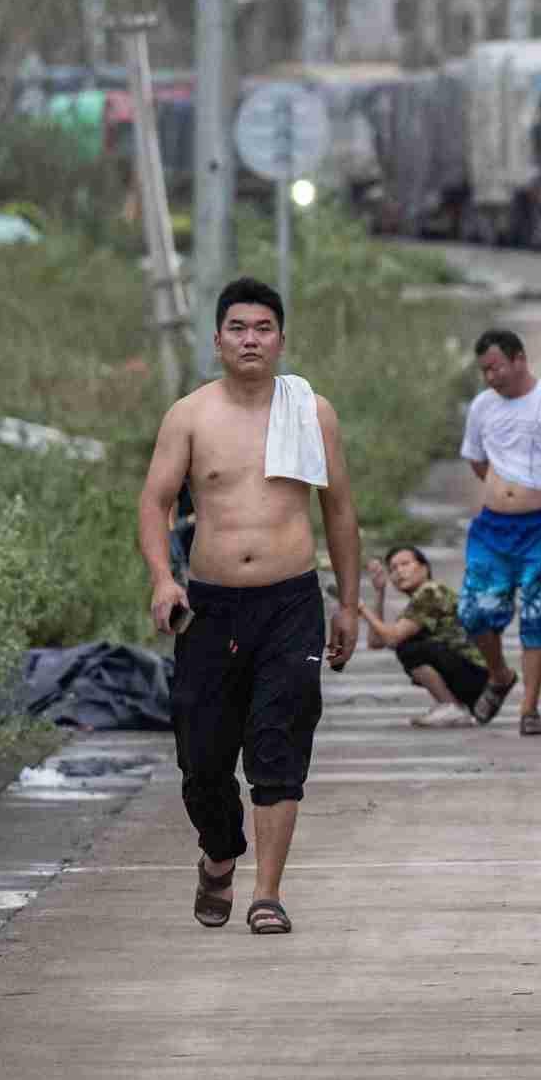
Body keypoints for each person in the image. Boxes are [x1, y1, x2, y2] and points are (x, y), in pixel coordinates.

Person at [136, 277, 359, 936]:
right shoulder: (190, 415)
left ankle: (267, 893)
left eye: (264, 328)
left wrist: (347, 604)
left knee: (277, 740)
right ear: (218, 339)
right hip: (211, 608)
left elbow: (340, 511)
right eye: (239, 328)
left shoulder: (311, 411)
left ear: (282, 340)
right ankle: (220, 852)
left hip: (290, 603)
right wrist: (161, 577)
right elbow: (155, 503)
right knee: (202, 758)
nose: (251, 339)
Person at [458, 327, 541, 737]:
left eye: (496, 367)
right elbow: (477, 460)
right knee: (476, 611)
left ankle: (529, 709)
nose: (491, 377)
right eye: (484, 371)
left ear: (519, 359)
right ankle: (498, 675)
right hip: (493, 527)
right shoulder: (482, 407)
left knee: (536, 615)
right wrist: (503, 490)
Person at [357, 545, 488, 728]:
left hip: (474, 674)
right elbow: (376, 642)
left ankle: (450, 706)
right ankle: (451, 705)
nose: (399, 572)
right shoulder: (418, 601)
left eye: (405, 564)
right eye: (393, 569)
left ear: (424, 568)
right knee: (408, 644)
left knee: (409, 649)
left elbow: (392, 638)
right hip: (472, 676)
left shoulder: (430, 592)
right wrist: (380, 592)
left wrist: (362, 608)